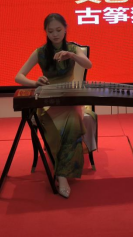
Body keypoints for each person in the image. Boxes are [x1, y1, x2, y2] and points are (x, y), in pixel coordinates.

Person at [15, 13, 96, 198]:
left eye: (58, 30)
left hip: (70, 98)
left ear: (65, 29)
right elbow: (18, 76)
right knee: (57, 125)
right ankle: (62, 174)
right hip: (48, 100)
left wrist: (71, 55)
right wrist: (35, 83)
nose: (55, 34)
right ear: (46, 32)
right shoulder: (40, 52)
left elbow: (89, 65)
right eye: (50, 31)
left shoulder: (72, 48)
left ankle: (61, 174)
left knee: (73, 121)